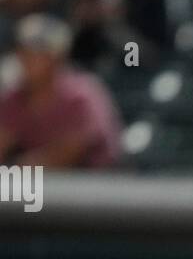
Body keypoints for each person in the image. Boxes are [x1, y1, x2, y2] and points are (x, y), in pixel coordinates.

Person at [0, 13, 121, 167]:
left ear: (58, 57)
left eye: (37, 53)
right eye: (23, 52)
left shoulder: (82, 94)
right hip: (43, 184)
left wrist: (15, 170)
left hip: (101, 183)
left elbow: (66, 155)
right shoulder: (14, 97)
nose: (26, 60)